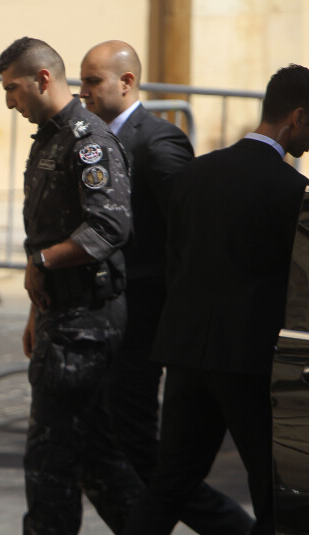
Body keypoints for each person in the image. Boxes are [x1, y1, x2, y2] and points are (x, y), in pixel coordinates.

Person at [123, 64, 309, 535]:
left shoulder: (195, 174)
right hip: (252, 362)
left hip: (187, 351)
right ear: (298, 117)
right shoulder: (292, 191)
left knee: (170, 484)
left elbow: (176, 259)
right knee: (274, 488)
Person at [79, 40, 255, 534]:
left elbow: (192, 229)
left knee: (141, 445)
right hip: (109, 311)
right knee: (108, 438)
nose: (83, 91)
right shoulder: (91, 139)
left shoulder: (157, 141)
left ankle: (233, 528)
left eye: (92, 81)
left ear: (127, 82)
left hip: (147, 315)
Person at [0, 37, 144, 534]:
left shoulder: (88, 141)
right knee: (98, 463)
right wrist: (37, 311)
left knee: (50, 466)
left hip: (86, 323)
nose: (9, 102)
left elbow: (109, 227)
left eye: (13, 88)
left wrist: (41, 262)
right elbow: (47, 231)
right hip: (62, 315)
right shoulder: (50, 137)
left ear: (42, 79)